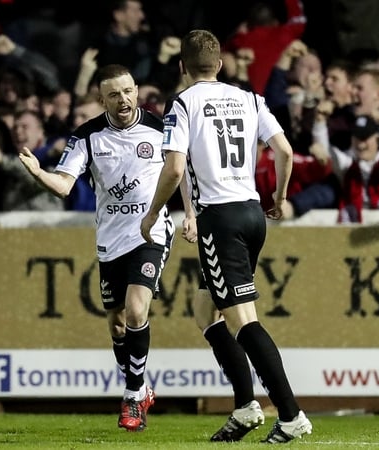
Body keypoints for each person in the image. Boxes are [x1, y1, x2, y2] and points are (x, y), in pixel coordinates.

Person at [140, 29, 313, 444]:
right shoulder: (250, 98)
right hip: (252, 212)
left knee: (243, 319)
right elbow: (285, 151)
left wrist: (154, 212)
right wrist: (279, 198)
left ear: (182, 66)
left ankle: (290, 414)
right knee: (206, 310)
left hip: (221, 219)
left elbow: (176, 168)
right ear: (219, 65)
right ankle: (245, 406)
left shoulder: (182, 103)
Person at [18, 64, 180, 432]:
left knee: (137, 310)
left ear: (136, 90)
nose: (123, 99)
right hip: (111, 239)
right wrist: (39, 173)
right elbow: (64, 185)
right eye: (114, 95)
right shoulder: (87, 136)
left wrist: (189, 214)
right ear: (101, 100)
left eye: (128, 91)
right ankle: (140, 388)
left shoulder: (160, 129)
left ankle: (133, 396)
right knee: (118, 325)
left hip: (150, 232)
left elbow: (180, 171)